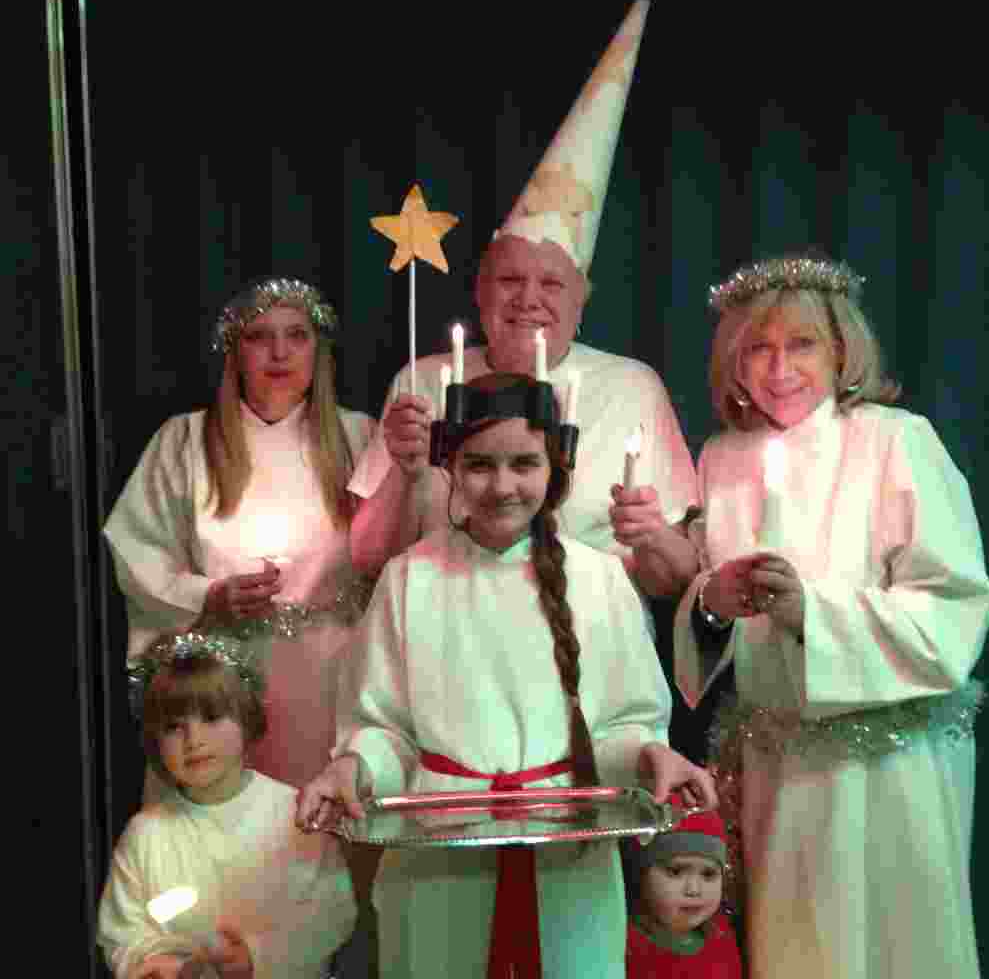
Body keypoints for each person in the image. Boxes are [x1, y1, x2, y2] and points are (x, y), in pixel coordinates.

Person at [298, 373, 717, 979]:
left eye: (524, 463)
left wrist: (654, 756)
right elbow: (380, 727)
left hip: (567, 859)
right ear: (451, 467)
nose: (502, 486)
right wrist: (352, 766)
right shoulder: (410, 578)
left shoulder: (599, 580)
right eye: (479, 465)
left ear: (555, 467)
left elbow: (623, 726)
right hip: (438, 858)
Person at [672, 255, 989, 979]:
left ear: (843, 349)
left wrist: (811, 613)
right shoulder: (722, 459)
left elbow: (953, 604)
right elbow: (707, 612)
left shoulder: (895, 440)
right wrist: (713, 607)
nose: (778, 367)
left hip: (888, 767)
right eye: (758, 347)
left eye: (802, 344)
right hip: (776, 770)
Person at [350, 0, 698, 600]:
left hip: (589, 642)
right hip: (449, 632)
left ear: (582, 301)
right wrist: (405, 478)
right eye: (510, 280)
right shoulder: (423, 383)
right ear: (480, 291)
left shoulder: (632, 387)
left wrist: (653, 536)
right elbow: (366, 561)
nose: (529, 300)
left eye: (553, 284)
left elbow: (674, 583)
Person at [104, 277, 375, 791]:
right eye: (258, 337)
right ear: (233, 352)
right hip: (220, 691)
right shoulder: (185, 442)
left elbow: (396, 551)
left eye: (296, 335)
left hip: (333, 685)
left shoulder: (358, 438)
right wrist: (209, 597)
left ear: (318, 349)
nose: (279, 353)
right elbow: (139, 552)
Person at [97, 633, 356, 979]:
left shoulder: (294, 816)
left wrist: (257, 957)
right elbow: (123, 931)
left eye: (211, 718)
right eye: (174, 727)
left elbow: (330, 913)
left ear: (247, 719)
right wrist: (156, 967)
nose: (194, 740)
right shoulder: (146, 833)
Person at [621, 804, 742, 978]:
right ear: (641, 875)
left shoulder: (721, 938)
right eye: (675, 872)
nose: (693, 890)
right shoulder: (626, 945)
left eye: (708, 874)